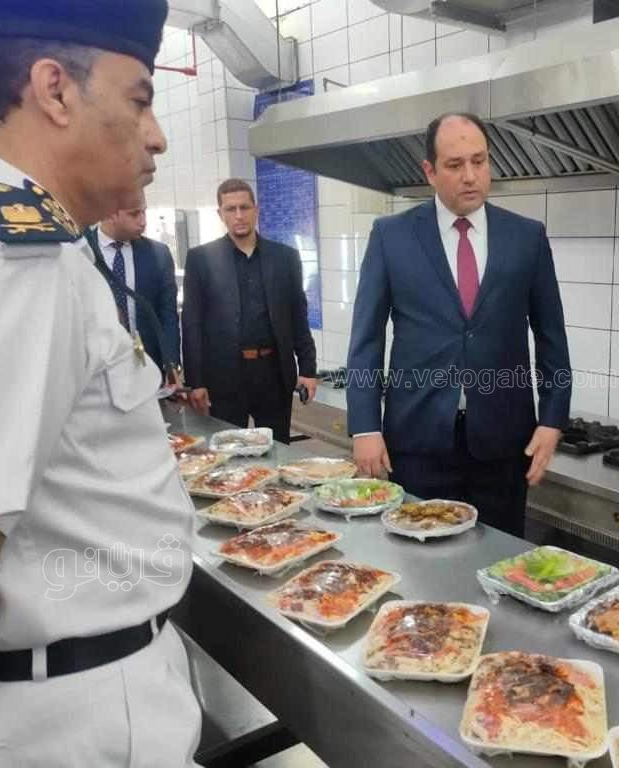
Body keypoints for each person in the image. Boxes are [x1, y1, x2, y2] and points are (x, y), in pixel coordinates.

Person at [0, 0, 202, 765]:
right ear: (55, 90)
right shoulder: (16, 259)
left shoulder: (0, 231)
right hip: (74, 720)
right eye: (140, 99)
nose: (156, 135)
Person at [346, 112, 571, 538]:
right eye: (455, 165)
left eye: (479, 161)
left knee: (501, 558)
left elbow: (551, 336)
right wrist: (365, 426)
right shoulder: (392, 236)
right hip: (417, 442)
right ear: (429, 171)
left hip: (504, 444)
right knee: (420, 561)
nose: (470, 176)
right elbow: (367, 340)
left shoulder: (526, 237)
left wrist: (552, 419)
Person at [182, 178, 317, 443]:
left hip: (273, 372)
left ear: (256, 209)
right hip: (224, 376)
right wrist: (195, 382)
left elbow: (298, 316)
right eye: (230, 209)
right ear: (220, 214)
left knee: (278, 448)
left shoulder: (285, 258)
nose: (239, 215)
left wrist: (308, 369)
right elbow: (191, 323)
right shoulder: (201, 259)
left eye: (244, 207)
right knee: (228, 453)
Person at [85, 198, 181, 376]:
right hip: (96, 370)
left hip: (147, 367)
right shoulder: (81, 251)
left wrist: (172, 365)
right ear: (109, 213)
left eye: (144, 212)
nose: (143, 221)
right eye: (135, 214)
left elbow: (168, 315)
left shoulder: (158, 254)